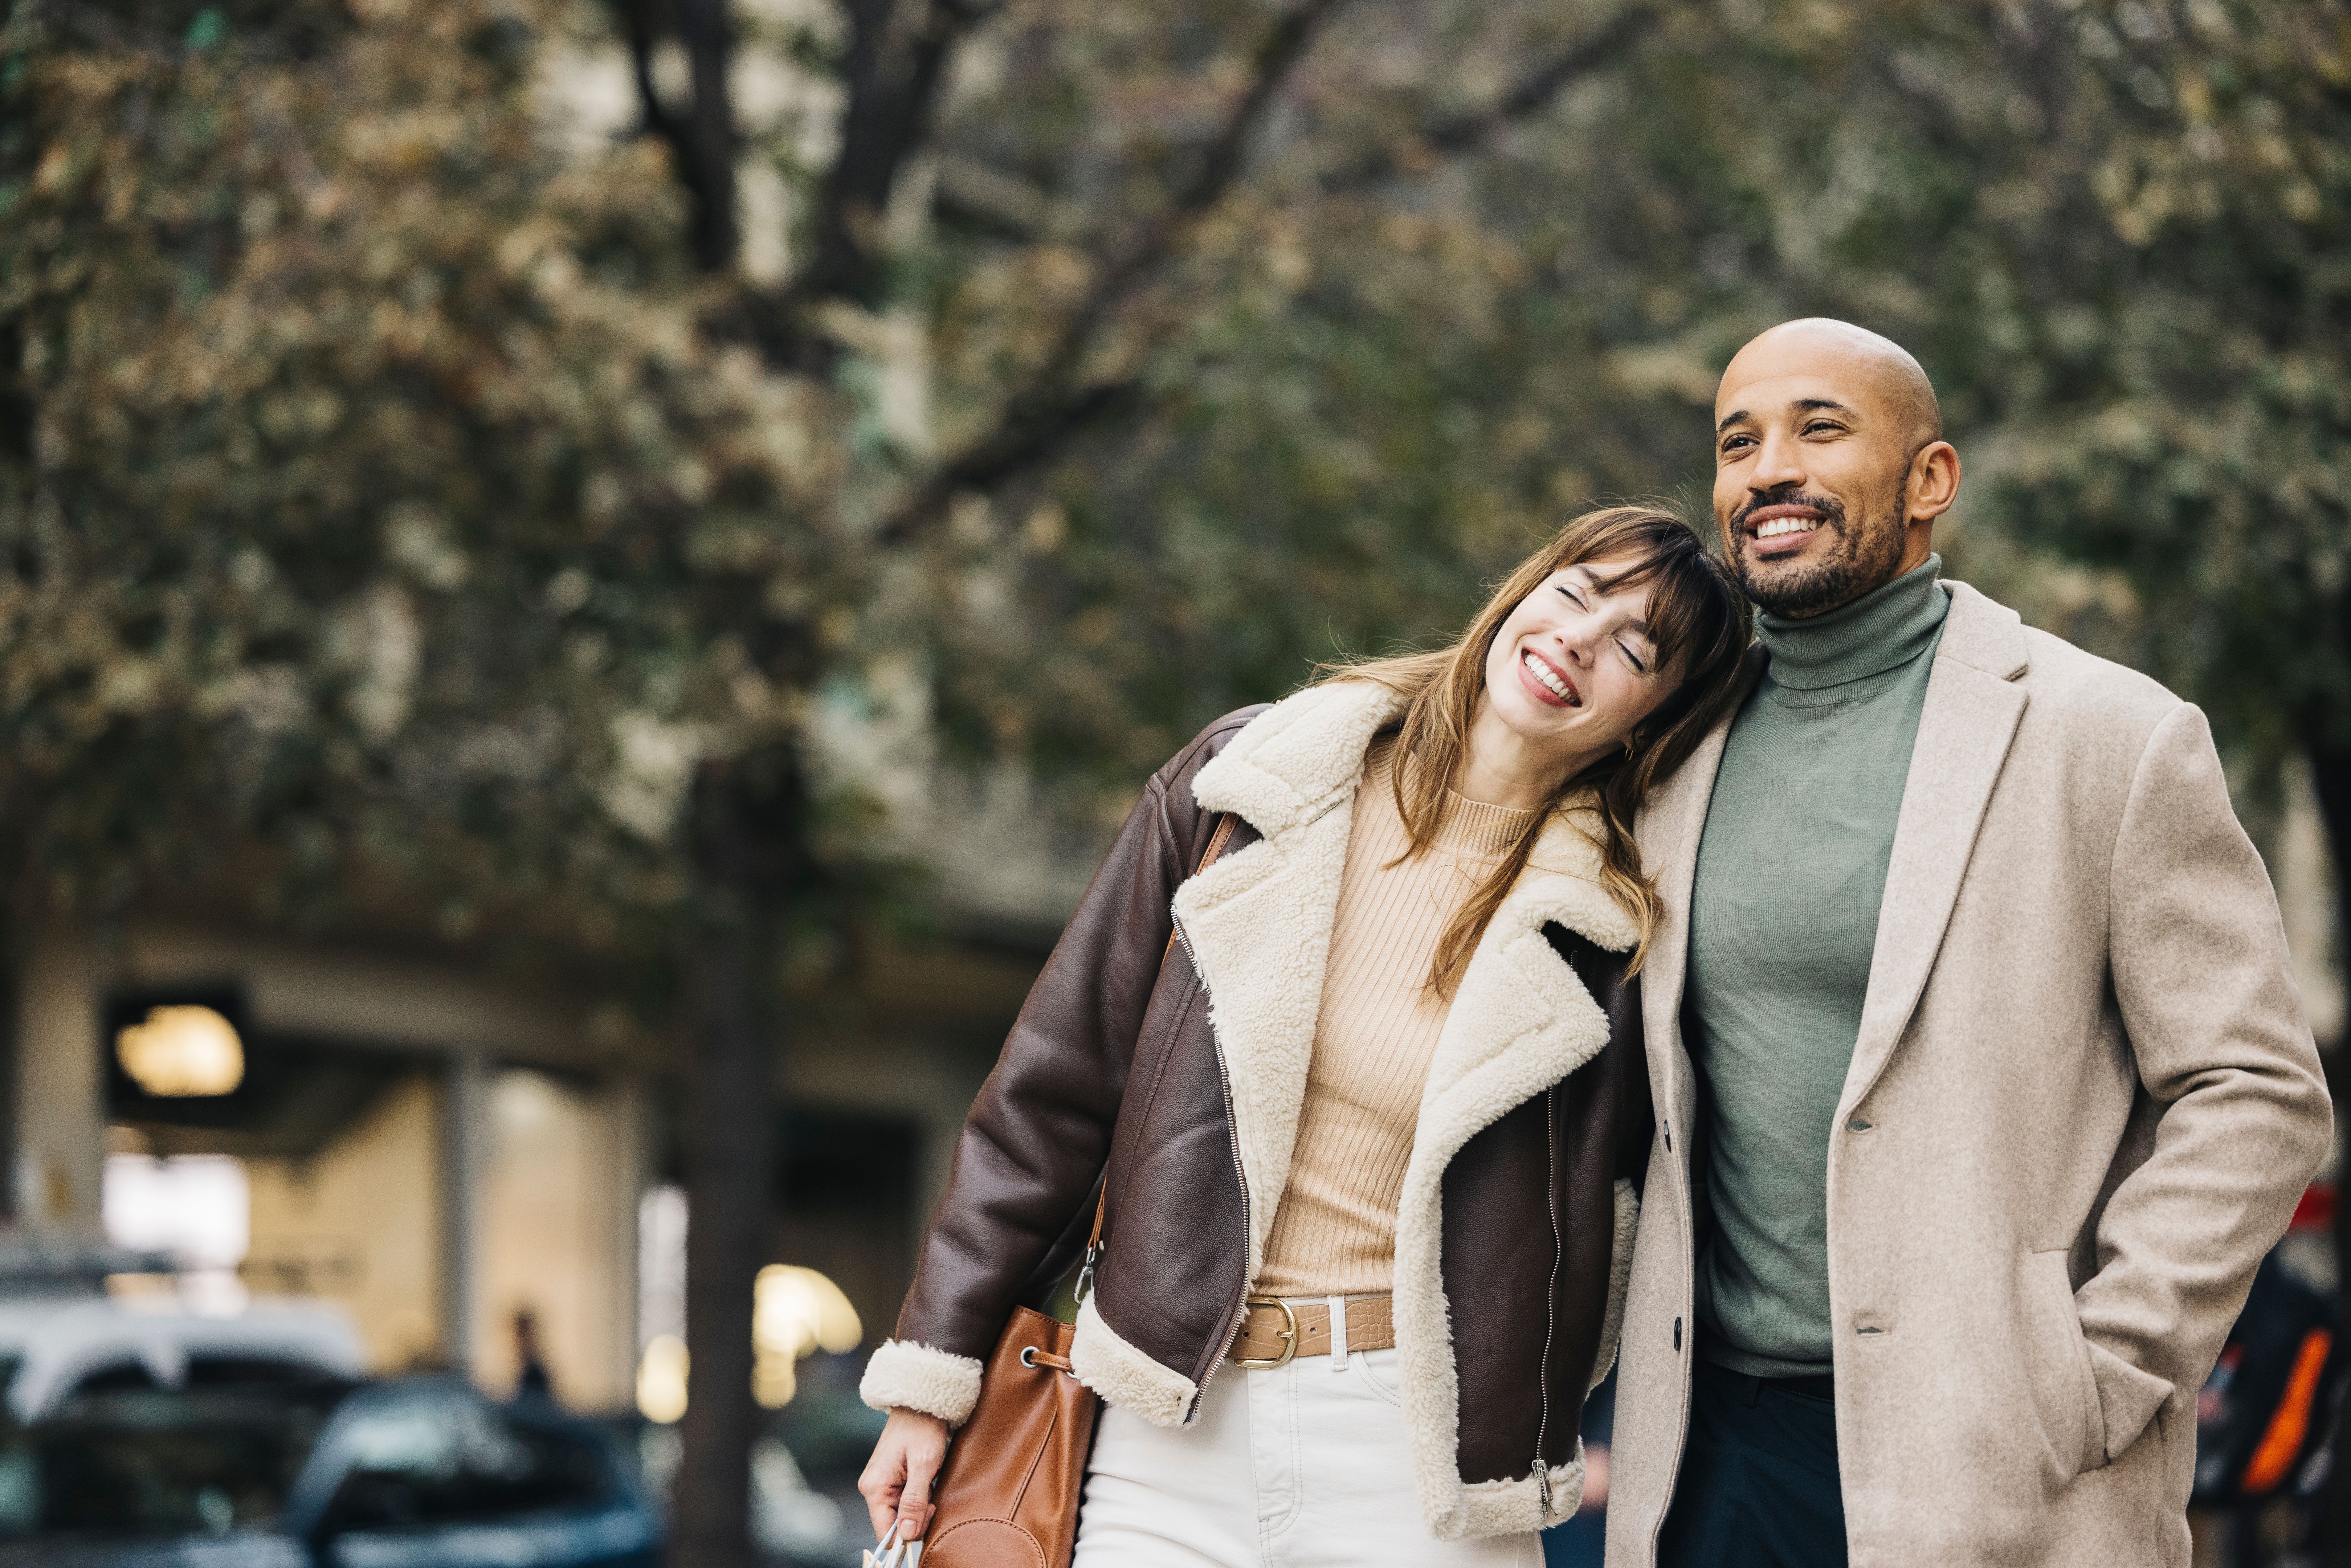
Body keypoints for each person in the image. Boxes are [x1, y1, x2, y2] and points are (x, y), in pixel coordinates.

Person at [857, 506, 1749, 1566]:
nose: (1579, 641)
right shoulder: (1253, 783)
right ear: (1523, 591)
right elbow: (1052, 1099)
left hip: (1416, 1462)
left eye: (1636, 649)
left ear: (1654, 716)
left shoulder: (1615, 935)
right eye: (1575, 593)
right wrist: (933, 1379)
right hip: (1164, 1425)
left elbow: (1641, 1223)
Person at [1604, 318, 2335, 1567]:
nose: (1768, 469)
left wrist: (2101, 1369)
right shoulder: (1661, 750)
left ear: (1930, 481)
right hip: (1709, 1455)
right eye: (1739, 442)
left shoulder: (2107, 733)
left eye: (1818, 429)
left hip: (2003, 1459)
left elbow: (2256, 1089)